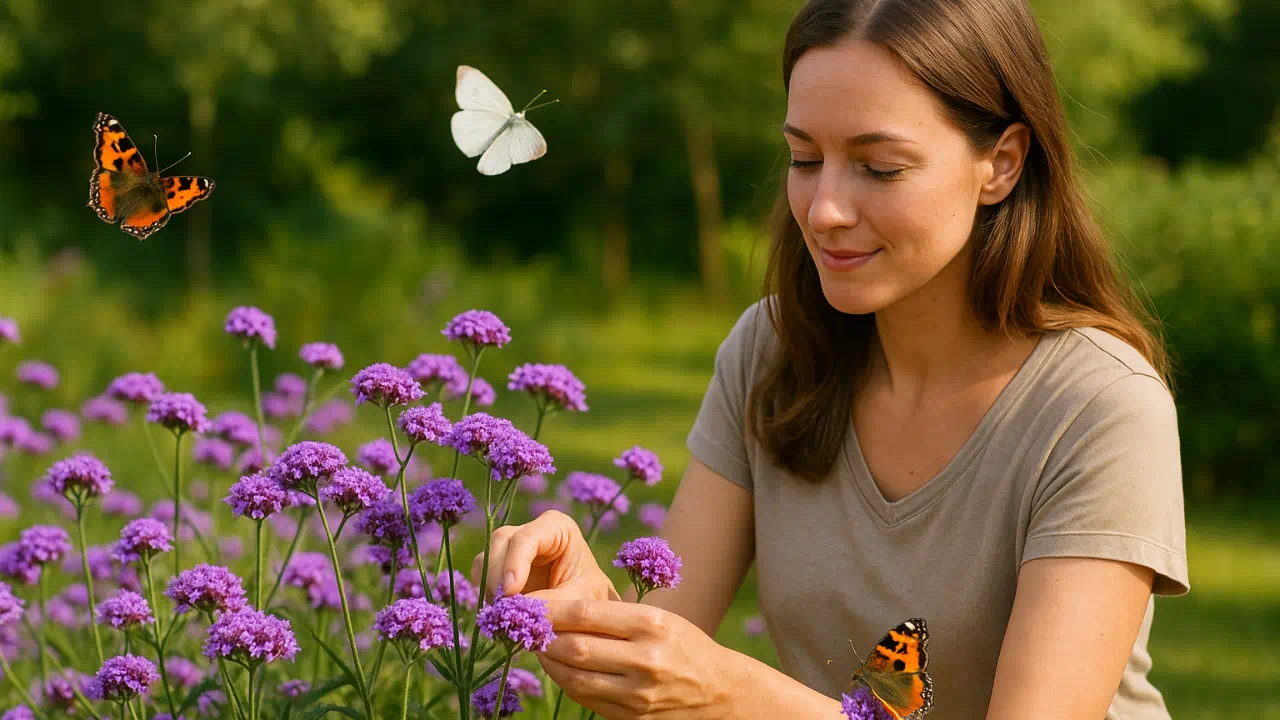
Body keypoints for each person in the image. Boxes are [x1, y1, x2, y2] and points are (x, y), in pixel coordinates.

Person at [473, 0, 1189, 717]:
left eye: (879, 169)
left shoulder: (1099, 407)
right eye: (806, 159)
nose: (823, 211)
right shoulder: (772, 352)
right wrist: (577, 601)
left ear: (1000, 164)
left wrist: (730, 692)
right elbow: (667, 644)